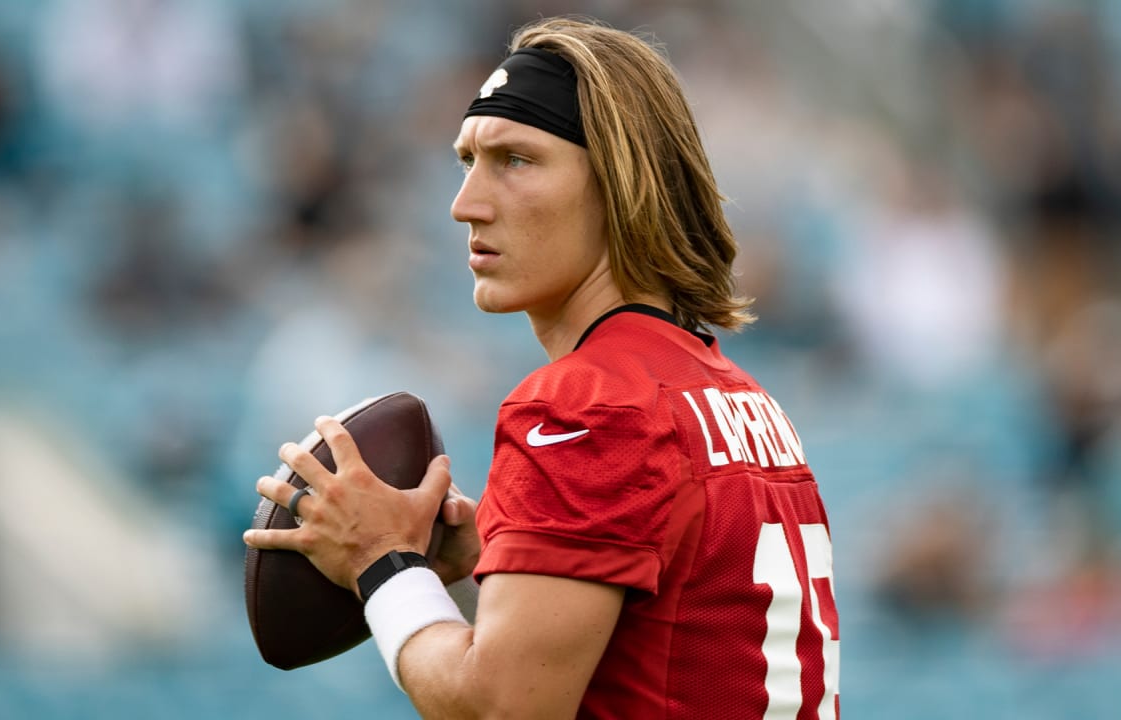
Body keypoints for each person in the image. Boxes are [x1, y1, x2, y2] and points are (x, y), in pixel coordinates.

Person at [243, 16, 840, 719]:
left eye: (516, 160)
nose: (465, 205)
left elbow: (499, 708)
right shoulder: (745, 400)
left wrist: (381, 561)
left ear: (621, 183)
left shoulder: (588, 404)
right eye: (467, 161)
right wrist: (484, 566)